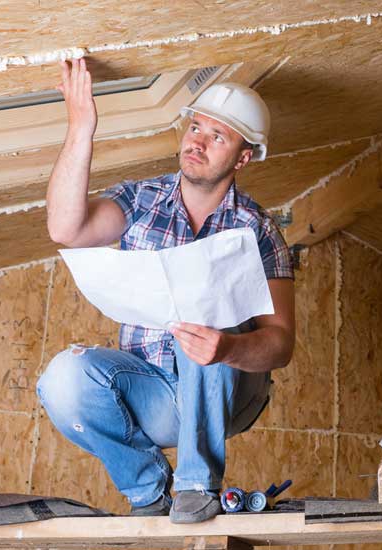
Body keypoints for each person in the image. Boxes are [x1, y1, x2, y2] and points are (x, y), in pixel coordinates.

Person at [35, 58, 295, 524]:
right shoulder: (141, 200)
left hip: (229, 393)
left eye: (218, 136)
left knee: (208, 298)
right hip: (154, 391)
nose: (197, 142)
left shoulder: (257, 231)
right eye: (196, 127)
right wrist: (81, 128)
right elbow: (64, 227)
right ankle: (149, 491)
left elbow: (280, 343)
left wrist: (229, 348)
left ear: (242, 157)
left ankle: (198, 487)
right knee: (63, 377)